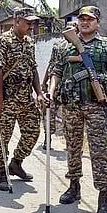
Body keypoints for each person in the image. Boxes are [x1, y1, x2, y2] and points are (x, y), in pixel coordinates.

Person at [49, 6, 107, 213]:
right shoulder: (64, 45)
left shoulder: (106, 46)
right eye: (82, 19)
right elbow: (56, 71)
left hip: (95, 107)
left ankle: (104, 197)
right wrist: (52, 91)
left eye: (90, 19)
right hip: (71, 106)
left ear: (97, 23)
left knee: (98, 151)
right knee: (72, 148)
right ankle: (74, 186)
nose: (85, 22)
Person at [0, 7, 46, 191]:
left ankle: (16, 163)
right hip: (7, 97)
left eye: (33, 23)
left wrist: (38, 93)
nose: (32, 26)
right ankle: (1, 171)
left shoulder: (30, 43)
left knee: (32, 132)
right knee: (2, 136)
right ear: (16, 22)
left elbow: (33, 69)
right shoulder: (3, 41)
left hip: (26, 98)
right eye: (28, 22)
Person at [40, 21, 78, 149]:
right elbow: (52, 65)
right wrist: (45, 81)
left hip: (71, 85)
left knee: (69, 114)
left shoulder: (80, 46)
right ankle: (48, 138)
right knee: (51, 111)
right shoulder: (59, 46)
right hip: (56, 84)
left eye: (72, 30)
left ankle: (68, 141)